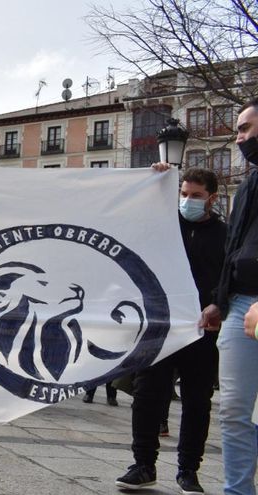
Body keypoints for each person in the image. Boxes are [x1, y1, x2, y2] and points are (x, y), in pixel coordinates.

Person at [115, 167, 226, 494]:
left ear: (212, 198)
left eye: (196, 196)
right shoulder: (164, 226)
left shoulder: (224, 234)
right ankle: (143, 465)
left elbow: (229, 277)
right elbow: (134, 219)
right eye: (183, 194)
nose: (187, 200)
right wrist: (156, 179)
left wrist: (217, 303)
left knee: (197, 400)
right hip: (161, 326)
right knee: (147, 394)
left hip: (202, 330)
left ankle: (189, 470)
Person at [206, 97, 258, 495]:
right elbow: (234, 249)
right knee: (234, 410)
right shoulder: (247, 186)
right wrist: (218, 301)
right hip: (240, 306)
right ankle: (237, 491)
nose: (238, 137)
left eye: (244, 128)